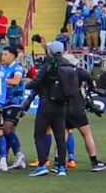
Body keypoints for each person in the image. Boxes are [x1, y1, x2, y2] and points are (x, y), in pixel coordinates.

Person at [24, 41, 71, 176]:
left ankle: (42, 164)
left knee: (39, 134)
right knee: (60, 137)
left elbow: (36, 81)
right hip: (61, 105)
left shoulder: (47, 64)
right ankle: (62, 167)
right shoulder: (67, 64)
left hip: (46, 104)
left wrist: (27, 85)